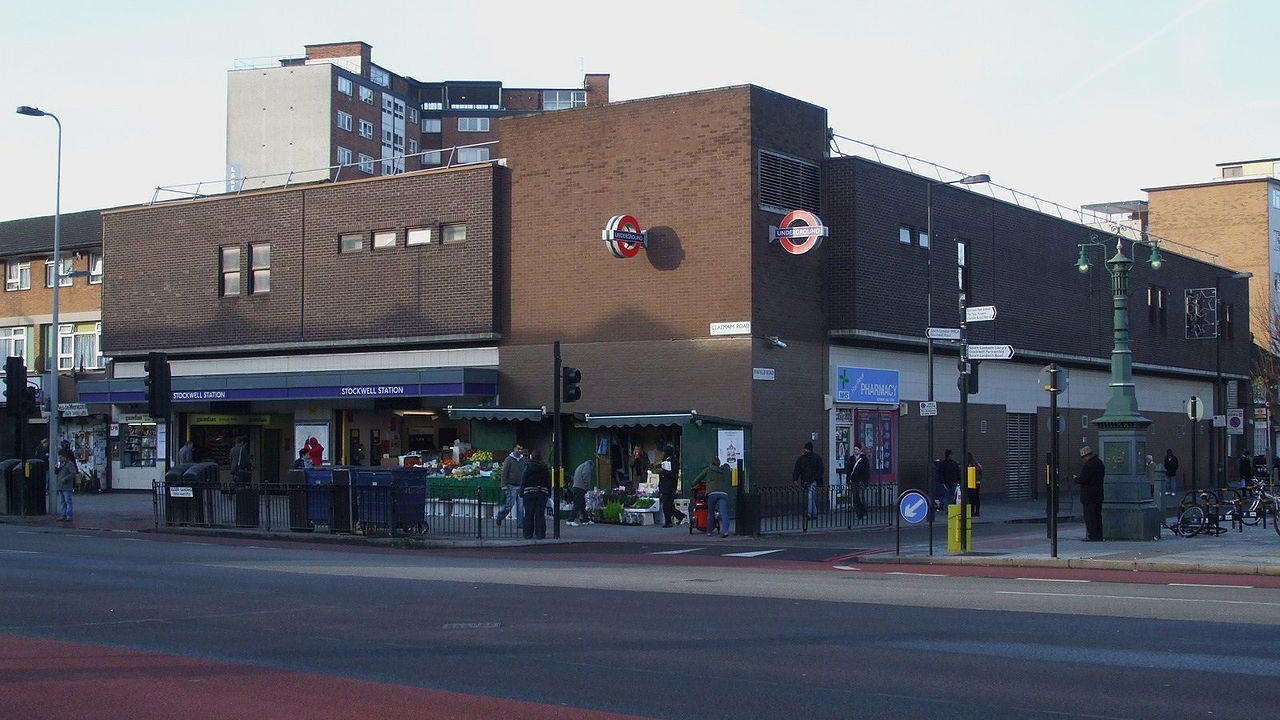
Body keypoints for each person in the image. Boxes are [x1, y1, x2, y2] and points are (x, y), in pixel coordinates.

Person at [693, 456, 731, 537]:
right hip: (723, 493)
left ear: (711, 463)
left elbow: (698, 479)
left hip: (712, 493)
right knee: (724, 513)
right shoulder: (722, 470)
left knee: (710, 513)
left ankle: (709, 532)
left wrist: (694, 484)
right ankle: (725, 531)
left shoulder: (708, 469)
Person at [1074, 445, 1105, 541]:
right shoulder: (1100, 463)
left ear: (1086, 456)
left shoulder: (1089, 465)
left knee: (1090, 516)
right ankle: (1099, 535)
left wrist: (1076, 478)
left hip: (1089, 495)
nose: (1083, 460)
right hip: (1098, 494)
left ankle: (1092, 535)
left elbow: (1083, 479)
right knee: (1097, 516)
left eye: (1083, 458)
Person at [519, 449, 552, 540]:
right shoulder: (544, 468)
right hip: (542, 493)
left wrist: (521, 492)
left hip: (529, 493)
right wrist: (549, 493)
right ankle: (540, 534)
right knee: (540, 514)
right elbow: (548, 481)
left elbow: (523, 480)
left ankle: (527, 534)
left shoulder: (528, 467)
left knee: (528, 514)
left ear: (532, 457)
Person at [495, 443, 526, 527]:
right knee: (509, 505)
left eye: (521, 449)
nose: (520, 450)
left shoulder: (523, 459)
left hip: (520, 485)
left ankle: (520, 523)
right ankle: (500, 516)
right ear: (514, 449)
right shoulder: (508, 459)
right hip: (511, 485)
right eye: (518, 449)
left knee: (521, 506)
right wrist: (504, 485)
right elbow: (504, 472)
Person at [793, 441, 823, 519]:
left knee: (810, 497)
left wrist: (796, 479)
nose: (805, 451)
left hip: (812, 481)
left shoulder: (803, 459)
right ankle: (814, 513)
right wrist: (795, 479)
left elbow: (820, 469)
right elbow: (797, 469)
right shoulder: (815, 458)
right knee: (811, 498)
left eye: (806, 449)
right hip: (808, 480)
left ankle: (809, 514)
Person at [658, 444, 685, 527]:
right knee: (668, 503)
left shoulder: (674, 461)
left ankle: (668, 521)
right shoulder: (665, 460)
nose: (663, 453)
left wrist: (662, 472)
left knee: (666, 504)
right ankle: (679, 515)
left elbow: (673, 474)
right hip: (664, 484)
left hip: (670, 485)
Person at [844, 443, 869, 520]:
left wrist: (865, 481)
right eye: (854, 449)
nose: (855, 451)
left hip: (861, 481)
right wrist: (848, 481)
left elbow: (866, 471)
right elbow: (848, 471)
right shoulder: (851, 459)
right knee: (855, 498)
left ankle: (864, 512)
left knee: (861, 497)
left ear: (860, 450)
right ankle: (858, 514)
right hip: (854, 481)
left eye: (857, 449)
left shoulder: (864, 459)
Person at [568, 458, 595, 526]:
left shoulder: (581, 466)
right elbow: (585, 476)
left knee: (582, 505)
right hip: (580, 488)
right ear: (591, 465)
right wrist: (587, 486)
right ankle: (570, 520)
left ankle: (586, 520)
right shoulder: (587, 467)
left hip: (576, 487)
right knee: (577, 505)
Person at [55, 448, 76, 522]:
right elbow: (56, 473)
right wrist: (56, 468)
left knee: (68, 501)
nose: (60, 459)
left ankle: (69, 516)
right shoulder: (60, 464)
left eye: (61, 457)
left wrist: (66, 478)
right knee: (62, 501)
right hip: (60, 485)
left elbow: (73, 473)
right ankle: (63, 515)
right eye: (59, 457)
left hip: (67, 486)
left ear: (65, 457)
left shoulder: (70, 464)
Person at [966, 452, 983, 517]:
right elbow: (981, 474)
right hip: (977, 483)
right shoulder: (977, 465)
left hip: (971, 482)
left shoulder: (970, 465)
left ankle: (972, 512)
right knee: (976, 497)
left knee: (971, 498)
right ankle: (977, 512)